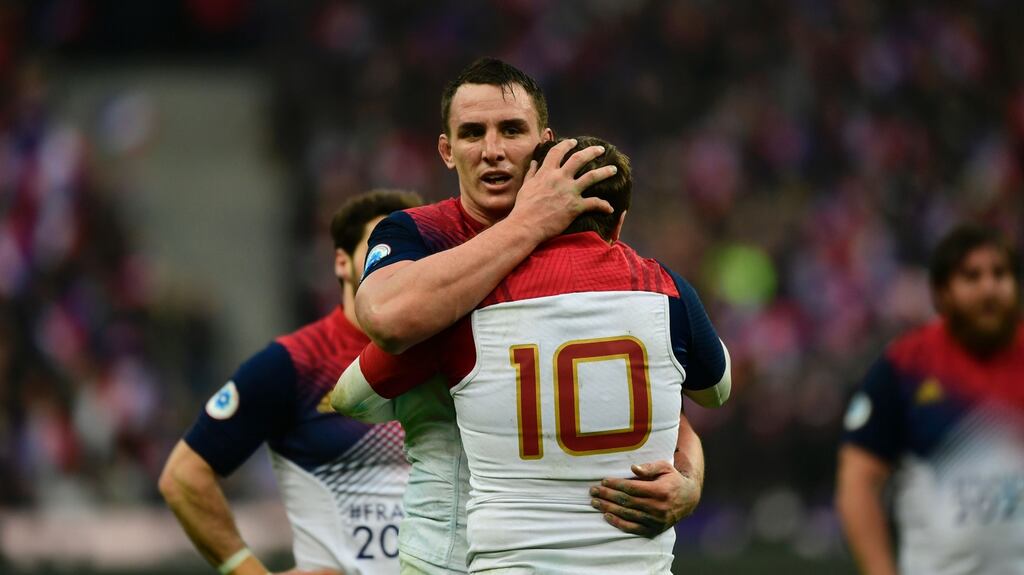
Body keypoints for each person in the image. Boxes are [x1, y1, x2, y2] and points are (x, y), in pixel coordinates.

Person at [353, 59, 709, 573]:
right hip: (441, 551)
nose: (492, 150)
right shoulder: (414, 233)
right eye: (472, 133)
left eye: (511, 130)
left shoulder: (599, 254)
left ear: (545, 142)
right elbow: (385, 317)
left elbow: (666, 403)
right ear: (446, 151)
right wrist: (529, 224)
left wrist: (689, 481)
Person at [159, 190, 422, 575]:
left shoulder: (451, 352)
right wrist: (248, 571)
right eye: (377, 248)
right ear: (341, 263)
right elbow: (183, 477)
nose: (394, 260)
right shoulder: (295, 363)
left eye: (409, 248)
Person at [836, 224, 1024, 575]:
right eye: (972, 277)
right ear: (943, 292)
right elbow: (858, 479)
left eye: (1001, 275)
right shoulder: (905, 366)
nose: (989, 288)